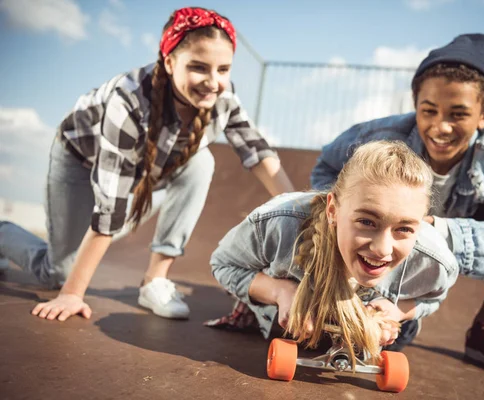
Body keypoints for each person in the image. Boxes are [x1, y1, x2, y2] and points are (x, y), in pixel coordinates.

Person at [0, 7, 294, 322]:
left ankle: (155, 280)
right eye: (198, 67)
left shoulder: (222, 98)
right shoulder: (128, 102)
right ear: (169, 62)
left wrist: (300, 210)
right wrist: (72, 294)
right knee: (57, 273)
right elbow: (111, 208)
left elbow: (259, 153)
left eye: (224, 69)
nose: (213, 82)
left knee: (201, 162)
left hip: (146, 169)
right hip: (80, 159)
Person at [310, 34, 484, 377]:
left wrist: (436, 229)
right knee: (386, 339)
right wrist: (346, 215)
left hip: (451, 230)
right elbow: (326, 167)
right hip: (390, 241)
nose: (440, 127)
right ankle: (359, 302)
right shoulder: (380, 136)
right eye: (428, 111)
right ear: (415, 104)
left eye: (458, 114)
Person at [207, 140, 458, 363]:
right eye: (367, 222)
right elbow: (223, 264)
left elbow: (434, 296)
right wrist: (280, 291)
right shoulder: (280, 222)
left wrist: (397, 310)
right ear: (333, 210)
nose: (382, 249)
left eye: (404, 228)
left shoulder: (435, 260)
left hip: (375, 332)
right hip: (288, 325)